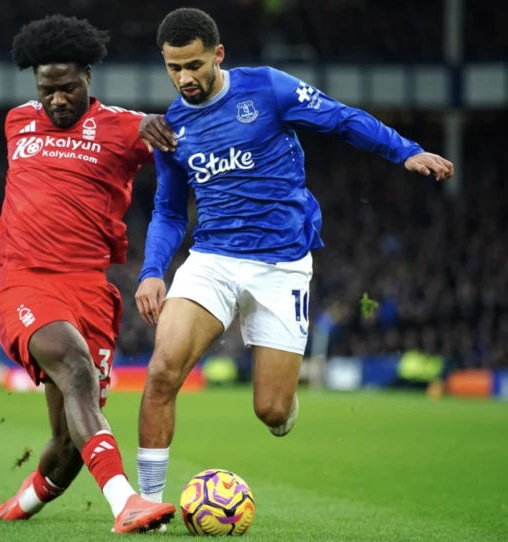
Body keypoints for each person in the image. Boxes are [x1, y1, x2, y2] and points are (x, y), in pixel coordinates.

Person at [134, 7, 454, 504]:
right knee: (161, 371)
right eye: (173, 68)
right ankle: (147, 505)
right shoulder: (171, 127)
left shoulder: (267, 89)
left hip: (281, 264)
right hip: (212, 260)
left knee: (272, 412)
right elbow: (170, 212)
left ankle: (285, 403)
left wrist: (404, 151)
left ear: (218, 55)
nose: (184, 78)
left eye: (193, 65)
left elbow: (341, 118)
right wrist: (153, 272)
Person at [0, 14, 176, 533]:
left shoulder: (127, 129)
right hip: (22, 277)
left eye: (67, 88)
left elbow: (181, 139)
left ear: (87, 76)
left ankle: (18, 507)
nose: (57, 100)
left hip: (89, 287)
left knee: (68, 445)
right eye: (47, 90)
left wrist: (162, 127)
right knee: (74, 365)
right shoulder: (16, 121)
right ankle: (126, 505)